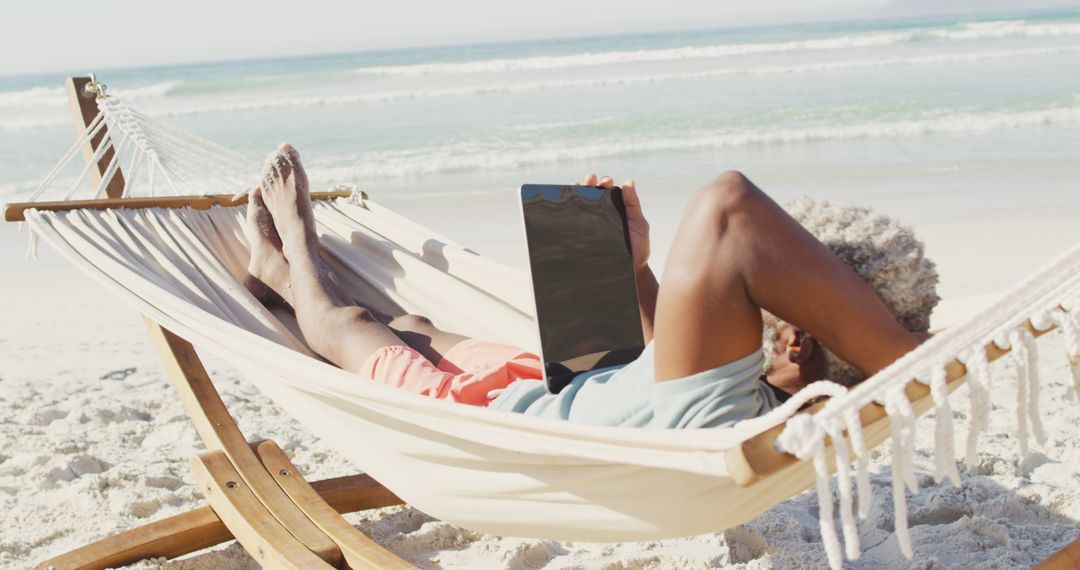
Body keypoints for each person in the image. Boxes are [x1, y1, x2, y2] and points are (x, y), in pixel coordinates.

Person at [245, 143, 938, 429]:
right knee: (415, 325)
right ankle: (282, 278)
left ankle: (291, 253)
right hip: (563, 379)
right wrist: (633, 269)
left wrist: (896, 353)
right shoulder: (719, 384)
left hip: (495, 417)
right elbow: (660, 360)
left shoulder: (723, 400)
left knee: (345, 327)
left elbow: (728, 208)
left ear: (798, 331)